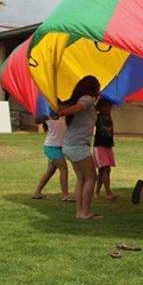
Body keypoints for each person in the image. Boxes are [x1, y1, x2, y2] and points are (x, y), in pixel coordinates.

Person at [58, 75, 103, 220]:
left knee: (81, 178)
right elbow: (78, 108)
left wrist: (61, 110)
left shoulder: (81, 99)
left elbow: (75, 108)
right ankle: (85, 212)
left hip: (70, 144)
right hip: (78, 145)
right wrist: (62, 112)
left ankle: (79, 212)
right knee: (91, 177)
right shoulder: (87, 99)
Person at [32, 114, 74, 201]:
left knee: (50, 171)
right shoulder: (48, 116)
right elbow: (37, 121)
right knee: (63, 169)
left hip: (58, 146)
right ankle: (65, 195)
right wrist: (45, 116)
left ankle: (37, 192)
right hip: (51, 147)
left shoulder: (63, 115)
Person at [93, 98, 118, 200]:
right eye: (105, 107)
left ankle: (97, 192)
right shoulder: (97, 117)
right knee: (106, 168)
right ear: (100, 107)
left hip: (108, 145)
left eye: (109, 107)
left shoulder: (108, 116)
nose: (107, 109)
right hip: (100, 146)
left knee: (102, 170)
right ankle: (108, 193)